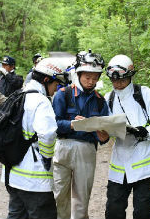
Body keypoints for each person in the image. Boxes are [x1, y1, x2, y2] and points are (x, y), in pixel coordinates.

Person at [104, 55, 150, 219]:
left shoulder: (144, 93)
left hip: (144, 162)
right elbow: (105, 124)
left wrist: (146, 131)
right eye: (114, 81)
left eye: (121, 80)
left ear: (130, 76)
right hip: (120, 162)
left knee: (142, 211)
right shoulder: (108, 98)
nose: (117, 84)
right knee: (113, 209)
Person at [2, 58, 70, 219]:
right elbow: (47, 134)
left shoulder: (18, 95)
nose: (56, 89)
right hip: (35, 180)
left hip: (13, 175)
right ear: (46, 80)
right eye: (56, 84)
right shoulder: (41, 101)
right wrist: (47, 158)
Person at [52, 50, 110, 219]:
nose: (91, 82)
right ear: (78, 74)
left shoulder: (100, 101)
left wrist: (102, 135)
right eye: (87, 77)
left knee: (81, 199)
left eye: (95, 78)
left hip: (86, 150)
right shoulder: (63, 94)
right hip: (63, 148)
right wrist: (72, 124)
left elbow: (104, 136)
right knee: (58, 195)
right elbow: (53, 125)